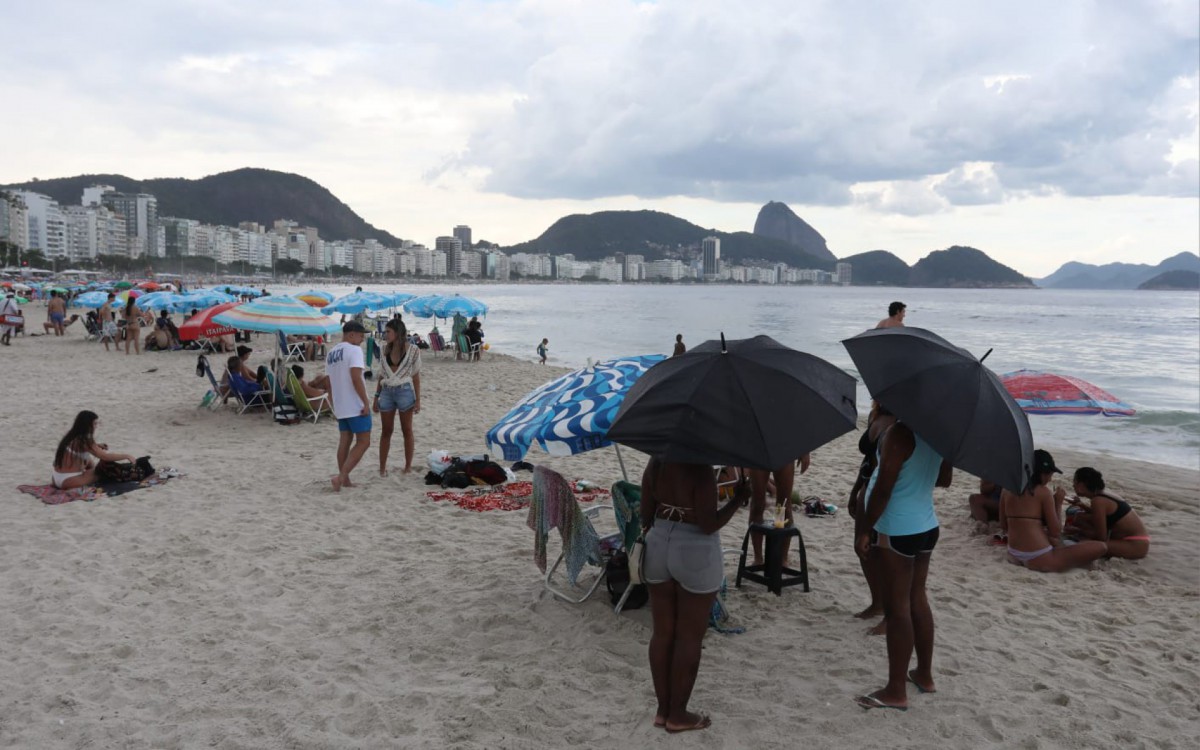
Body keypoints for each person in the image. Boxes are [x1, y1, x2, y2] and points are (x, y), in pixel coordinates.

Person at [641, 458, 750, 733]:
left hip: (658, 544)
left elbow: (645, 514)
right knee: (689, 637)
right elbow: (708, 524)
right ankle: (678, 714)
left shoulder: (656, 463)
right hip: (695, 550)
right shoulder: (700, 469)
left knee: (662, 633)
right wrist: (738, 500)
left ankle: (662, 710)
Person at [855, 420, 953, 711]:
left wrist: (865, 528)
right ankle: (923, 674)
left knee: (898, 609)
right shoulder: (940, 432)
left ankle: (896, 689)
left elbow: (883, 488)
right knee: (917, 598)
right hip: (925, 522)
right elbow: (944, 479)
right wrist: (917, 473)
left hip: (898, 527)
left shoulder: (900, 433)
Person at [1000, 450, 1109, 572]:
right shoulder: (1044, 492)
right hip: (1039, 556)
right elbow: (1056, 531)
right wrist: (1058, 502)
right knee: (1101, 547)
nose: (1050, 479)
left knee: (1055, 540)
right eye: (1050, 475)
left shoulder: (1006, 490)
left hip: (1014, 551)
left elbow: (1004, 526)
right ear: (1042, 474)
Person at [848, 402, 897, 632]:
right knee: (862, 547)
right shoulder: (875, 416)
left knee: (884, 553)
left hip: (886, 493)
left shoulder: (900, 424)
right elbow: (867, 460)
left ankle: (890, 612)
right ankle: (877, 602)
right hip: (867, 488)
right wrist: (855, 490)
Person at [1064, 467, 1149, 560]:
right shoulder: (1104, 495)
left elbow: (1101, 537)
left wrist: (1078, 531)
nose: (1073, 485)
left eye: (1074, 482)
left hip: (1135, 545)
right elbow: (1101, 515)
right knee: (1080, 516)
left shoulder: (1098, 501)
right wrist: (1081, 505)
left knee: (1079, 545)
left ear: (1080, 485)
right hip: (1139, 541)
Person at [326, 321, 372, 491]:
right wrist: (365, 401)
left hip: (340, 404)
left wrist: (333, 402)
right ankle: (341, 477)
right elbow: (356, 377)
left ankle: (344, 480)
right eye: (361, 336)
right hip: (355, 404)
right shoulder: (354, 350)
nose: (362, 340)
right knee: (364, 441)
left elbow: (329, 382)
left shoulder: (331, 352)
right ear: (351, 334)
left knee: (345, 440)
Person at [373, 318, 422, 475]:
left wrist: (418, 400)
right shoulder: (383, 349)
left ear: (398, 332)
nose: (385, 334)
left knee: (407, 430)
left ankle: (407, 467)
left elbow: (415, 375)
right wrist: (376, 397)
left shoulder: (413, 350)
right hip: (386, 391)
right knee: (386, 431)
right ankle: (382, 468)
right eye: (385, 331)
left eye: (388, 331)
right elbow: (381, 374)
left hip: (405, 391)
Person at [746, 453, 811, 566]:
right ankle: (758, 558)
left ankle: (782, 557)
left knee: (783, 505)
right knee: (758, 503)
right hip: (758, 448)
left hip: (783, 447)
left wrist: (805, 451)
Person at [51, 410, 136, 490]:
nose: (96, 427)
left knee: (88, 460)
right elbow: (105, 456)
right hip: (68, 480)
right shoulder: (84, 440)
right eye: (94, 424)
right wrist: (126, 456)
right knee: (102, 471)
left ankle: (85, 475)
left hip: (56, 478)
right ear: (87, 425)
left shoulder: (71, 435)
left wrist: (97, 446)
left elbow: (82, 448)